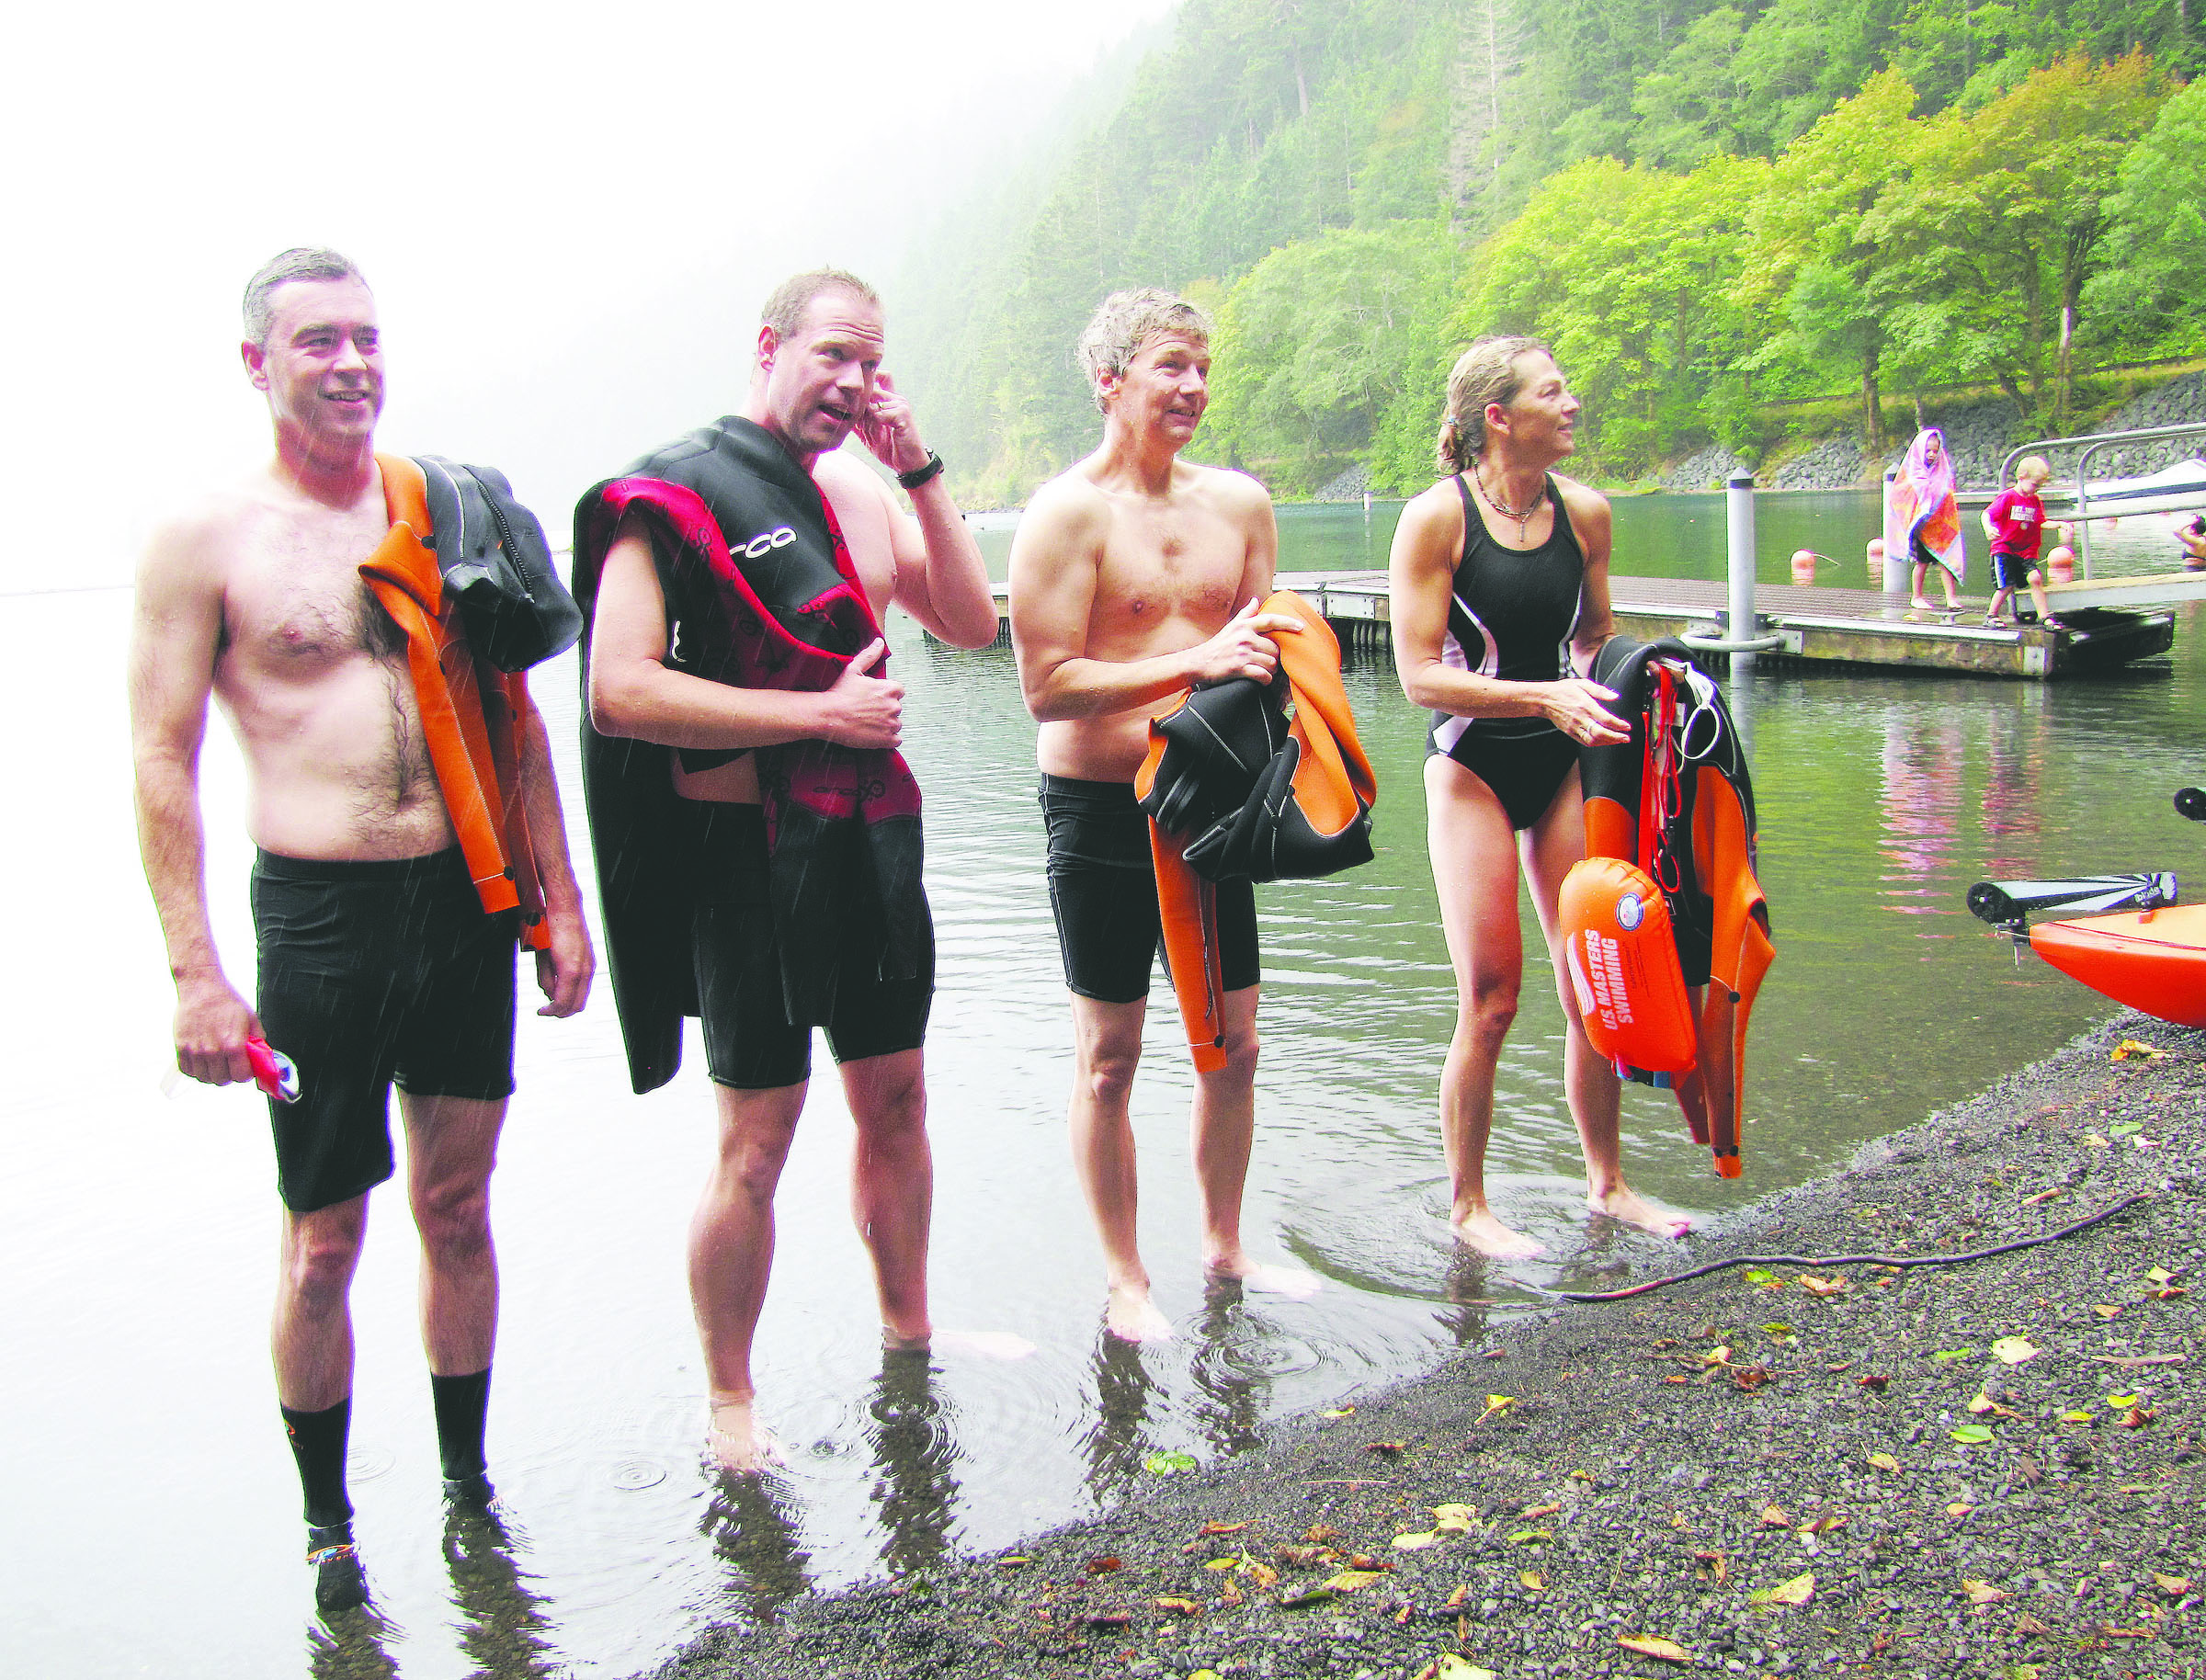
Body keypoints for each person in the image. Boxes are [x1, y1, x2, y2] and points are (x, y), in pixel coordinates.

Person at [128, 248, 596, 1613]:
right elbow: (162, 763)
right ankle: (331, 1526)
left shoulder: (446, 511)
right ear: (257, 365)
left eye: (368, 337)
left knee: (457, 1207)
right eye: (319, 339)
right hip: (319, 917)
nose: (351, 362)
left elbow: (512, 717)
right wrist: (195, 976)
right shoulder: (205, 543)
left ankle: (466, 1492)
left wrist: (561, 900)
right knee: (323, 1238)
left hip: (462, 905)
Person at [577, 269, 1004, 1472]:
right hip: (747, 860)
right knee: (756, 1144)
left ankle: (910, 1336)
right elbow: (620, 691)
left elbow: (972, 628)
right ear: (769, 347)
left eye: (873, 363)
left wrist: (919, 468)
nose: (854, 383)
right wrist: (817, 720)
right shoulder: (678, 492)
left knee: (899, 1104)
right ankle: (730, 1401)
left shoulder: (867, 497)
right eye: (832, 357)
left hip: (869, 840)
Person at [1008, 289, 1318, 1344]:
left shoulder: (1239, 506)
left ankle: (1225, 1247)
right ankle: (1126, 1276)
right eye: (1169, 367)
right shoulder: (1067, 515)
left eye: (1200, 367)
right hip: (1099, 804)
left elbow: (1266, 647)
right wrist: (1190, 659)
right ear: (1111, 382)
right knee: (1110, 1054)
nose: (1193, 386)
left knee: (1235, 1041)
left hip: (1217, 798)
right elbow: (1046, 686)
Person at [1387, 335, 1690, 1258]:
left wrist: (1649, 680)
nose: (1572, 404)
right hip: (1474, 767)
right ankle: (1469, 1207)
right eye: (1551, 392)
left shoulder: (1587, 514)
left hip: (1562, 763)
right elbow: (1418, 676)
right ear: (1497, 417)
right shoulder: (1436, 520)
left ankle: (1608, 1185)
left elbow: (1595, 638)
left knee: (1591, 981)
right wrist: (1541, 695)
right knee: (1490, 997)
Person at [1982, 454, 2064, 630]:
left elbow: (2041, 521)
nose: (2036, 490)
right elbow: (1986, 514)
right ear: (2021, 477)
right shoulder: (2008, 497)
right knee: (2006, 585)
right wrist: (1989, 528)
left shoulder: (2035, 500)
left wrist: (2059, 524)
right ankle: (1991, 615)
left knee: (2035, 578)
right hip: (2004, 548)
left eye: (2039, 487)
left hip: (2025, 551)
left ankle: (2045, 617)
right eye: (2035, 485)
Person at [1887, 427, 1966, 612]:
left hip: (1941, 527)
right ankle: (1917, 596)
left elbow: (1947, 497)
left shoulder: (1943, 472)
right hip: (1922, 528)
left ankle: (1951, 597)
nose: (1931, 454)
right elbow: (1900, 496)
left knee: (1946, 563)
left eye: (1935, 450)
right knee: (1921, 564)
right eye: (1928, 450)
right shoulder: (1911, 473)